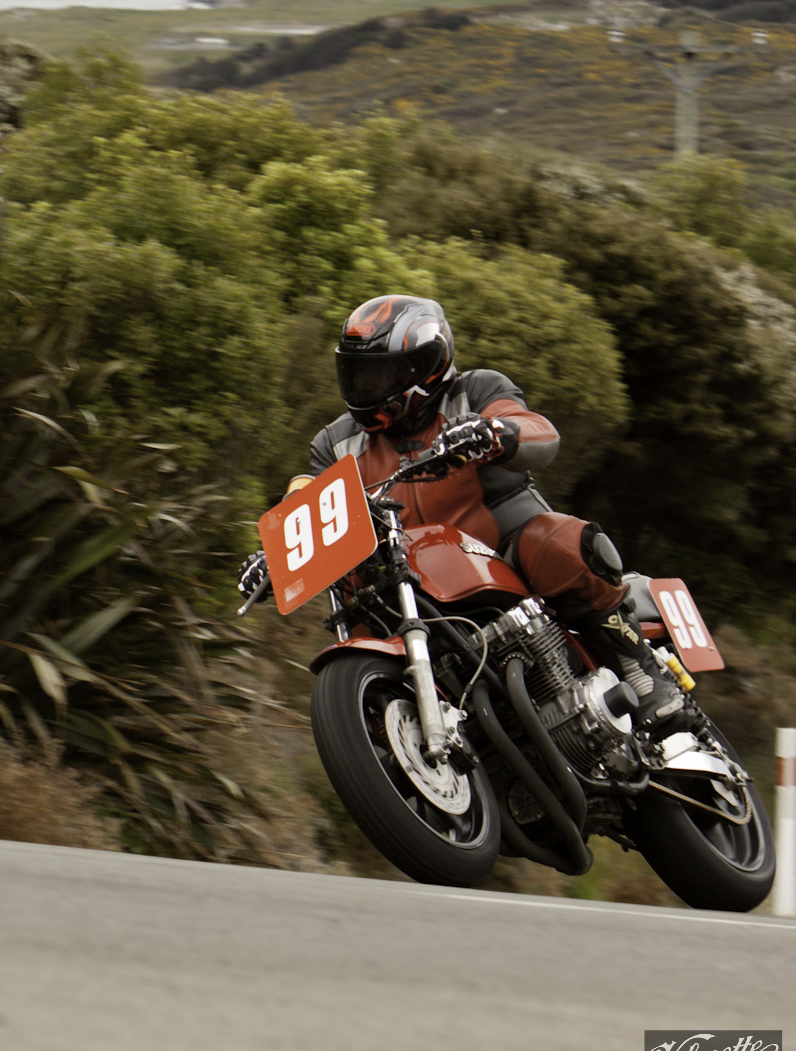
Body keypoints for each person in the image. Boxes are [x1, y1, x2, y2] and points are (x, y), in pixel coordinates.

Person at [238, 292, 687, 732]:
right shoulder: (336, 443)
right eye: (357, 375)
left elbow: (537, 431)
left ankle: (640, 672)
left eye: (380, 375)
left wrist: (494, 433)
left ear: (425, 365)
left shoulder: (475, 391)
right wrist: (278, 556)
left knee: (560, 543)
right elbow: (304, 501)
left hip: (503, 551)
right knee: (359, 605)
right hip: (416, 581)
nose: (365, 390)